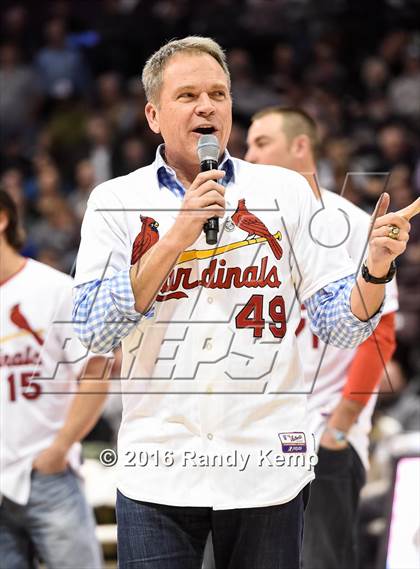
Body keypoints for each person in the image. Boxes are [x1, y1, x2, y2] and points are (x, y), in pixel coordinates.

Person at [72, 37, 412, 569]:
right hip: (157, 469)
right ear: (153, 115)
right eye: (187, 95)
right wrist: (176, 236)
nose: (207, 106)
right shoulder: (114, 201)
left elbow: (342, 326)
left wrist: (374, 267)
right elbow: (92, 329)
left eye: (218, 93)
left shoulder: (288, 193)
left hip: (267, 471)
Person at [245, 107, 399, 568]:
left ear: (299, 147)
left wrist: (341, 424)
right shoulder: (249, 224)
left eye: (261, 142)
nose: (247, 154)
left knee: (320, 562)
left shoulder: (349, 223)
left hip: (323, 436)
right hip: (255, 436)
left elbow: (382, 331)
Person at [0, 190, 109, 569]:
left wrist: (59, 448)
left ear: (3, 219)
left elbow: (96, 371)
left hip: (49, 475)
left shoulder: (54, 289)